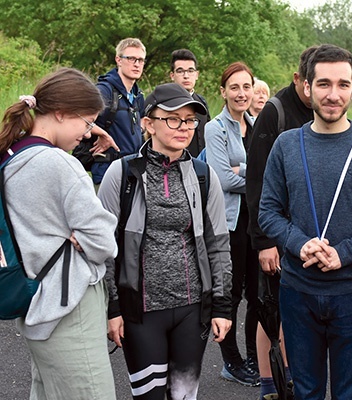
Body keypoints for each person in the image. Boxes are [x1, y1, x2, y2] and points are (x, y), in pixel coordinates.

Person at [259, 44, 352, 400]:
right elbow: (268, 212)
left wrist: (346, 253)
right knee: (306, 391)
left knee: (351, 393)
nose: (333, 94)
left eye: (342, 84)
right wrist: (298, 243)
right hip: (298, 291)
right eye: (323, 84)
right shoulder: (286, 144)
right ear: (307, 87)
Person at [98, 83, 232, 400]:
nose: (183, 127)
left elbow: (219, 245)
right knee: (149, 396)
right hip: (140, 311)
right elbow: (103, 246)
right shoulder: (122, 174)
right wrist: (112, 307)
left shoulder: (204, 175)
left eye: (189, 120)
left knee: (184, 395)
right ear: (148, 123)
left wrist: (223, 306)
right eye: (173, 118)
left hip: (191, 310)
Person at [0, 68, 119, 399]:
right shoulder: (60, 165)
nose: (86, 133)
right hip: (69, 307)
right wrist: (78, 238)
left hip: (36, 301)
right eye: (86, 122)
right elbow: (104, 242)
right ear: (62, 113)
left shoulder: (11, 155)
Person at [247, 46, 316, 400]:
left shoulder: (324, 114)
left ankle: (292, 378)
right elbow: (256, 180)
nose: (318, 92)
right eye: (312, 83)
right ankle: (269, 386)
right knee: (270, 313)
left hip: (308, 234)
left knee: (298, 312)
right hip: (274, 232)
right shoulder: (274, 111)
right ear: (298, 79)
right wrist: (263, 241)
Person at [204, 61, 260, 386]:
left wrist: (244, 171)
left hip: (256, 222)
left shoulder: (257, 125)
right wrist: (254, 175)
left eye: (246, 87)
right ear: (223, 92)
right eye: (234, 87)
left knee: (257, 294)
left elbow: (258, 170)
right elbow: (223, 178)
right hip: (230, 223)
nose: (241, 94)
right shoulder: (215, 128)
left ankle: (254, 356)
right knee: (230, 294)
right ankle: (231, 361)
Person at [87, 37, 146, 185]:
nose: (136, 64)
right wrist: (102, 134)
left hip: (133, 173)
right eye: (131, 58)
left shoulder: (138, 95)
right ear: (118, 60)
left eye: (140, 60)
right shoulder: (104, 90)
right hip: (107, 174)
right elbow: (79, 117)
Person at [170, 48, 211, 157]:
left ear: (196, 75)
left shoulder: (202, 102)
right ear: (172, 75)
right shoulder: (166, 104)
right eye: (180, 71)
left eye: (190, 71)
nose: (186, 76)